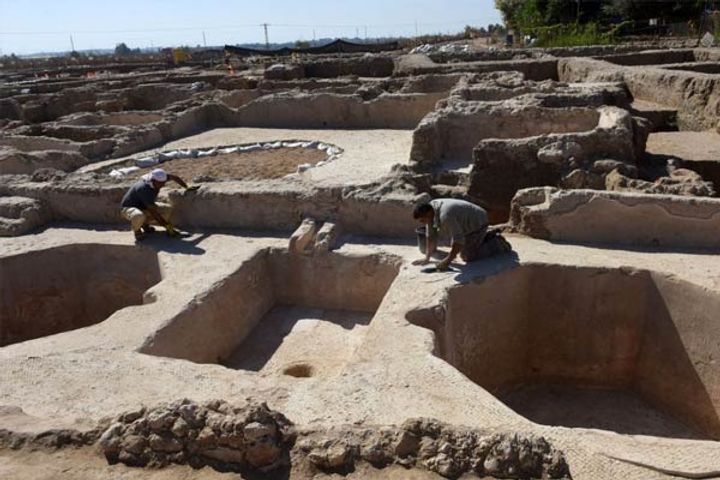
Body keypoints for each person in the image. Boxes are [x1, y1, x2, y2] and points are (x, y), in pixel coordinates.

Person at [120, 168, 198, 241]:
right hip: (128, 208)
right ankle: (137, 231)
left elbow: (175, 177)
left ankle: (145, 226)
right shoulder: (144, 188)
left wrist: (186, 187)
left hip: (143, 206)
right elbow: (154, 213)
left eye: (164, 182)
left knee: (167, 209)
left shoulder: (160, 177)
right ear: (153, 180)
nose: (163, 185)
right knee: (138, 216)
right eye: (160, 183)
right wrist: (168, 227)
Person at [413, 198, 489, 270]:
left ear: (428, 214)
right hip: (464, 222)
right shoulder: (431, 209)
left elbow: (458, 240)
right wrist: (427, 258)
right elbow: (431, 236)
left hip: (478, 222)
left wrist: (447, 260)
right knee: (455, 243)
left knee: (467, 256)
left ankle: (494, 242)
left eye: (422, 220)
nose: (422, 223)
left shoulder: (446, 217)